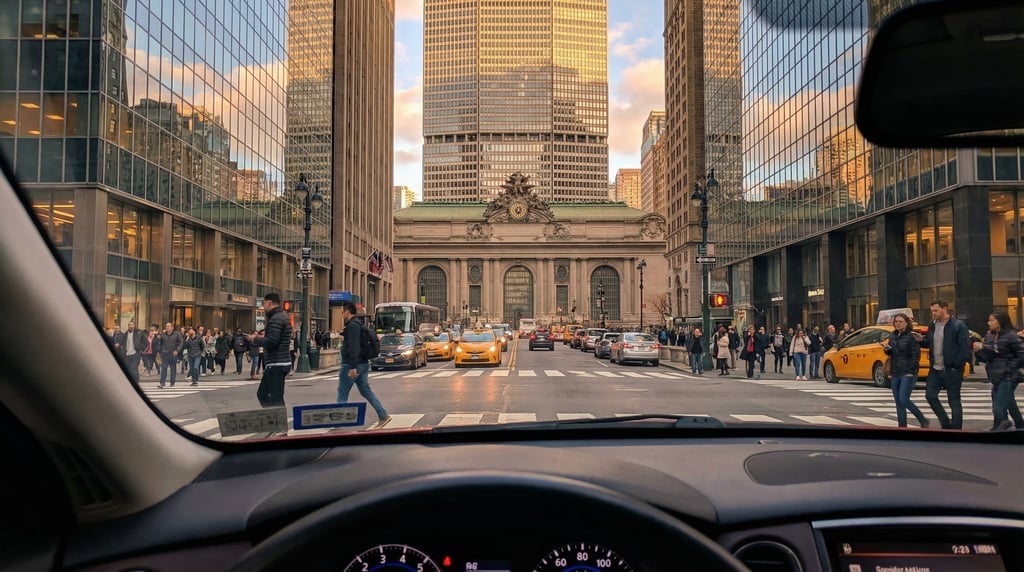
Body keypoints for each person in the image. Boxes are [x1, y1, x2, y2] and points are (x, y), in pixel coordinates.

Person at [913, 299, 970, 430]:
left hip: (952, 369)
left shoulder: (957, 325)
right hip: (936, 368)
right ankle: (945, 423)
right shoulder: (933, 324)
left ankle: (956, 429)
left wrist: (957, 365)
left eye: (936, 310)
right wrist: (921, 341)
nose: (933, 313)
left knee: (954, 400)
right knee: (930, 395)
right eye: (932, 310)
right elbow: (930, 343)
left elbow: (965, 348)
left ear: (944, 309)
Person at [338, 300, 391, 429]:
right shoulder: (358, 325)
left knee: (342, 392)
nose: (342, 315)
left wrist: (352, 366)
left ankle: (339, 422)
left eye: (343, 312)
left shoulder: (352, 326)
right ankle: (383, 415)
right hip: (362, 363)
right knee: (365, 391)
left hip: (353, 364)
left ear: (347, 312)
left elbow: (354, 347)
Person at [974, 313, 1024, 431]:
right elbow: (988, 356)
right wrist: (979, 351)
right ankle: (1019, 424)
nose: (989, 323)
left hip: (1009, 376)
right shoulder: (990, 336)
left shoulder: (1011, 336)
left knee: (998, 405)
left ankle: (1002, 424)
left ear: (1000, 322)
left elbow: (1021, 355)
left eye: (992, 320)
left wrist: (1009, 368)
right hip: (995, 374)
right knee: (1009, 401)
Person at [882, 313, 929, 428]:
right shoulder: (893, 335)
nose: (897, 324)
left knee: (903, 399)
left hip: (908, 372)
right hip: (895, 371)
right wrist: (887, 350)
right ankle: (902, 426)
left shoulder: (911, 337)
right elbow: (892, 353)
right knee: (898, 402)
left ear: (906, 323)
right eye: (896, 321)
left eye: (900, 321)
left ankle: (922, 419)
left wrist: (911, 370)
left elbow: (915, 355)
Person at [249, 293, 293, 407]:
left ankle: (275, 419)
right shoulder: (281, 316)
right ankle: (274, 418)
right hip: (280, 361)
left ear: (269, 303)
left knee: (269, 395)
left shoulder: (276, 318)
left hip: (276, 362)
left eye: (264, 304)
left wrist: (256, 339)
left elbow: (272, 341)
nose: (263, 307)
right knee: (273, 395)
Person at [157, 322, 183, 388]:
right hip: (165, 354)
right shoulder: (163, 335)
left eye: (169, 326)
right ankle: (162, 383)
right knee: (164, 368)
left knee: (173, 369)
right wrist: (160, 351)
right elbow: (160, 344)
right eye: (166, 326)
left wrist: (177, 350)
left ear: (172, 327)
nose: (167, 327)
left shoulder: (177, 334)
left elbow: (181, 343)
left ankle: (172, 382)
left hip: (173, 354)